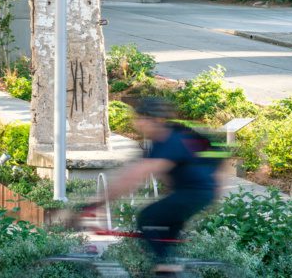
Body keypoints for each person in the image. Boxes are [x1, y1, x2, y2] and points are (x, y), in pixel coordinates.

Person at [87, 97, 225, 275]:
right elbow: (132, 170)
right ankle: (168, 266)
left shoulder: (168, 141)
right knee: (164, 234)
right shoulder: (164, 140)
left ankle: (166, 266)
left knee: (147, 218)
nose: (138, 124)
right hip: (196, 193)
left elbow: (132, 178)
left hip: (194, 193)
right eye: (137, 119)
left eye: (142, 119)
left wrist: (96, 204)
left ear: (157, 120)